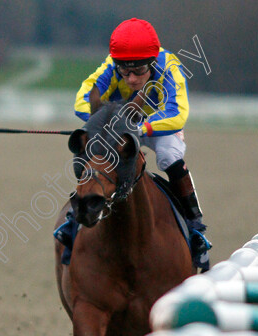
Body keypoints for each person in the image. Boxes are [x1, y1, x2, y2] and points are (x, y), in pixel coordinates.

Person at [73, 18, 210, 270]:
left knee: (169, 157)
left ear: (152, 62)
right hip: (119, 127)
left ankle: (195, 226)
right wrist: (103, 121)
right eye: (125, 71)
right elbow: (82, 100)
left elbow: (176, 113)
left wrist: (137, 127)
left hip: (158, 126)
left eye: (139, 71)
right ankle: (74, 221)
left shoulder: (170, 68)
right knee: (91, 151)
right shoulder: (110, 66)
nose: (132, 79)